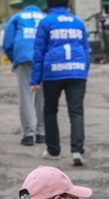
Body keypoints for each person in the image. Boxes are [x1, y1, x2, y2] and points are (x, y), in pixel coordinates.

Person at [30, 0, 89, 166]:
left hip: (53, 72)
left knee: (50, 110)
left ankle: (53, 150)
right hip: (77, 71)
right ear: (68, 4)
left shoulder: (46, 22)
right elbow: (85, 49)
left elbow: (39, 51)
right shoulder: (78, 22)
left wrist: (35, 80)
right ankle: (77, 150)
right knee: (76, 112)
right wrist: (84, 71)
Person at [3, 0, 45, 147]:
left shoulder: (16, 17)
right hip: (44, 57)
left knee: (25, 96)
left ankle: (28, 135)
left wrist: (16, 60)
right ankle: (41, 133)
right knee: (43, 96)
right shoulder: (45, 17)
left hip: (23, 57)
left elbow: (7, 44)